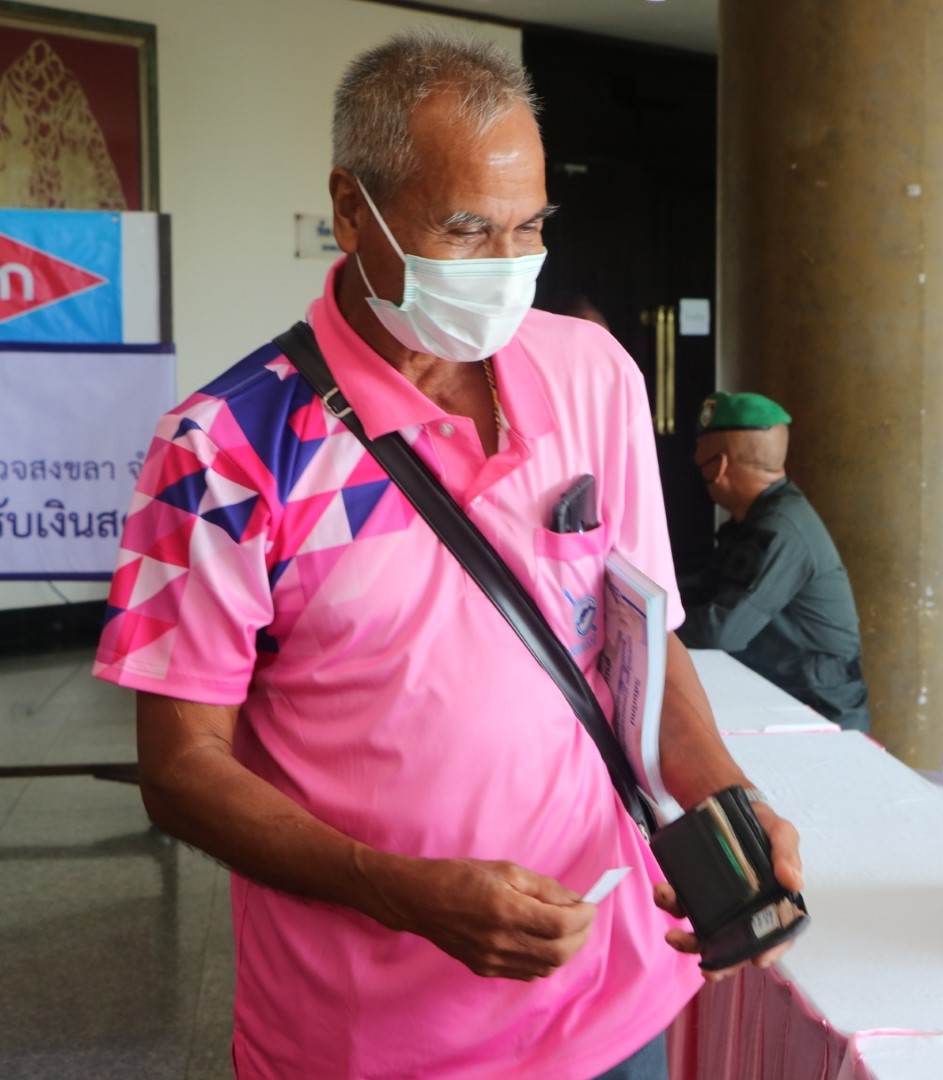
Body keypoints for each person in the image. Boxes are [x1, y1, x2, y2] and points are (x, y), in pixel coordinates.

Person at [93, 31, 801, 1080]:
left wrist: (729, 805)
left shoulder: (594, 375)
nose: (508, 267)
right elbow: (182, 770)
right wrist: (397, 890)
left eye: (530, 228)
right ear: (352, 209)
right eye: (466, 229)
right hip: (371, 1037)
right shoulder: (221, 450)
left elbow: (641, 643)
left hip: (610, 1000)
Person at [677, 391, 872, 733]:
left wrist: (651, 625)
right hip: (783, 700)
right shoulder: (760, 516)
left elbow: (720, 632)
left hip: (822, 717)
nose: (695, 460)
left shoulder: (780, 527)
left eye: (699, 454)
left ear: (719, 467)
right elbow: (708, 591)